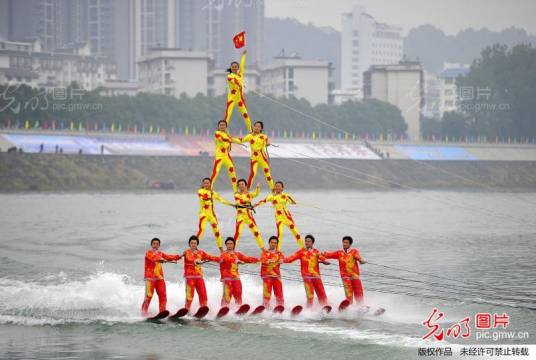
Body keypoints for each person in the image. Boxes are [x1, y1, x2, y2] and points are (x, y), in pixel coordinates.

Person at [254, 181, 304, 251]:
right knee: (280, 234)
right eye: (276, 186)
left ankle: (303, 248)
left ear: (282, 188)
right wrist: (254, 205)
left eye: (279, 186)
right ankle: (277, 251)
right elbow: (263, 201)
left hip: (287, 216)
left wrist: (293, 201)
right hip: (279, 217)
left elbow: (292, 202)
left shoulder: (285, 195)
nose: (277, 187)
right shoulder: (272, 196)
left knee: (295, 232)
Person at [284, 234, 330, 308]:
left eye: (309, 241)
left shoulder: (316, 252)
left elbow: (322, 258)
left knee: (322, 294)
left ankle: (325, 307)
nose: (307, 243)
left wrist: (325, 261)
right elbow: (291, 259)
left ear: (312, 243)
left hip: (316, 276)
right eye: (306, 241)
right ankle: (309, 310)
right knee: (310, 295)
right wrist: (283, 260)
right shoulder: (301, 252)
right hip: (306, 277)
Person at [141, 238, 181, 317]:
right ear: (151, 245)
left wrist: (179, 256)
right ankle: (144, 312)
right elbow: (153, 258)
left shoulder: (160, 253)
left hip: (159, 278)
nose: (155, 245)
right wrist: (160, 259)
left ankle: (162, 312)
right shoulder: (148, 253)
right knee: (149, 296)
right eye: (154, 244)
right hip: (150, 278)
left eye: (157, 244)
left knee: (163, 295)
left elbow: (169, 257)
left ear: (159, 245)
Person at [323, 236, 366, 305]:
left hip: (355, 276)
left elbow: (358, 257)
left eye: (346, 243)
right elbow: (328, 255)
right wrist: (321, 254)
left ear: (350, 244)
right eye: (343, 242)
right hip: (345, 277)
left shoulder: (354, 251)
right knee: (349, 294)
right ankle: (349, 307)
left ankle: (361, 307)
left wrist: (361, 260)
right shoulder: (339, 253)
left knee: (359, 293)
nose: (344, 244)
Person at [181, 235, 220, 311]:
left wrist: (220, 259)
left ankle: (203, 309)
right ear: (189, 244)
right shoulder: (186, 252)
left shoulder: (201, 253)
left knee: (203, 295)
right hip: (190, 278)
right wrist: (196, 261)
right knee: (189, 297)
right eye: (191, 243)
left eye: (195, 243)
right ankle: (186, 310)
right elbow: (190, 259)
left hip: (199, 277)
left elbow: (210, 257)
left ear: (197, 244)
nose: (193, 245)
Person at [218, 237, 259, 307]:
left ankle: (239, 309)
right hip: (226, 278)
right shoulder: (223, 254)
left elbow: (248, 259)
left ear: (234, 245)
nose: (229, 245)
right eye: (228, 244)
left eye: (231, 244)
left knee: (238, 293)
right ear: (226, 245)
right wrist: (237, 261)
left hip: (236, 278)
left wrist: (259, 260)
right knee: (227, 296)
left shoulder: (238, 254)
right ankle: (223, 308)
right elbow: (226, 259)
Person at [196, 177, 232, 252]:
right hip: (203, 214)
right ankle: (194, 247)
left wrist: (231, 204)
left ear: (210, 184)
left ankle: (221, 250)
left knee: (217, 232)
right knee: (201, 230)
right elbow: (202, 198)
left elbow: (221, 199)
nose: (206, 184)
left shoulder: (213, 193)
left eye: (207, 183)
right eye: (205, 183)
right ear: (203, 184)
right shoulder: (200, 191)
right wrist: (210, 196)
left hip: (212, 215)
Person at [238, 121, 274, 190]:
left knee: (267, 174)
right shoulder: (250, 136)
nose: (257, 128)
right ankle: (247, 189)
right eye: (256, 126)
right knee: (253, 174)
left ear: (261, 128)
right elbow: (241, 140)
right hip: (254, 158)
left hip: (263, 157)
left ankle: (273, 190)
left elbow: (266, 143)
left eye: (259, 127)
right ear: (253, 127)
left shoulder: (264, 136)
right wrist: (230, 139)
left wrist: (267, 144)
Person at [223, 49, 252, 132]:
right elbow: (234, 82)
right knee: (228, 114)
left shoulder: (240, 74)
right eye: (233, 67)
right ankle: (223, 129)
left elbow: (242, 65)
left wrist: (243, 55)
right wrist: (239, 84)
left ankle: (251, 130)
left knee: (245, 114)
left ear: (237, 68)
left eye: (236, 67)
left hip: (240, 98)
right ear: (231, 68)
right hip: (232, 97)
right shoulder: (229, 76)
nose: (234, 68)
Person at [210, 120, 241, 192]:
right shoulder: (217, 133)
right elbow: (221, 139)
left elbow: (236, 140)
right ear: (218, 126)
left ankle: (236, 190)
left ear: (226, 126)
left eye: (223, 125)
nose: (222, 126)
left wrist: (244, 140)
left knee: (232, 172)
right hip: (219, 157)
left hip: (227, 156)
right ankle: (210, 188)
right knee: (215, 172)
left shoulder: (228, 134)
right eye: (220, 125)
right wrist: (228, 139)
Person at [233, 178, 265, 250]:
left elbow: (256, 194)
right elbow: (239, 202)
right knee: (238, 233)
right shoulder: (237, 194)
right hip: (240, 217)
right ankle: (232, 250)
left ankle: (263, 250)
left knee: (256, 232)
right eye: (239, 184)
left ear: (245, 185)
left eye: (242, 184)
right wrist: (248, 204)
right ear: (238, 186)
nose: (241, 186)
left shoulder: (249, 194)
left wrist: (257, 188)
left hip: (249, 216)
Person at [260, 236, 285, 308]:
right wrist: (268, 260)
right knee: (267, 295)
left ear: (277, 244)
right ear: (269, 243)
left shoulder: (279, 253)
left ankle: (280, 308)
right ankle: (265, 308)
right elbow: (262, 259)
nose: (273, 244)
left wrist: (281, 260)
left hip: (277, 277)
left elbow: (283, 259)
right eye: (272, 242)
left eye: (275, 243)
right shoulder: (265, 253)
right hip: (267, 276)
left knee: (279, 294)